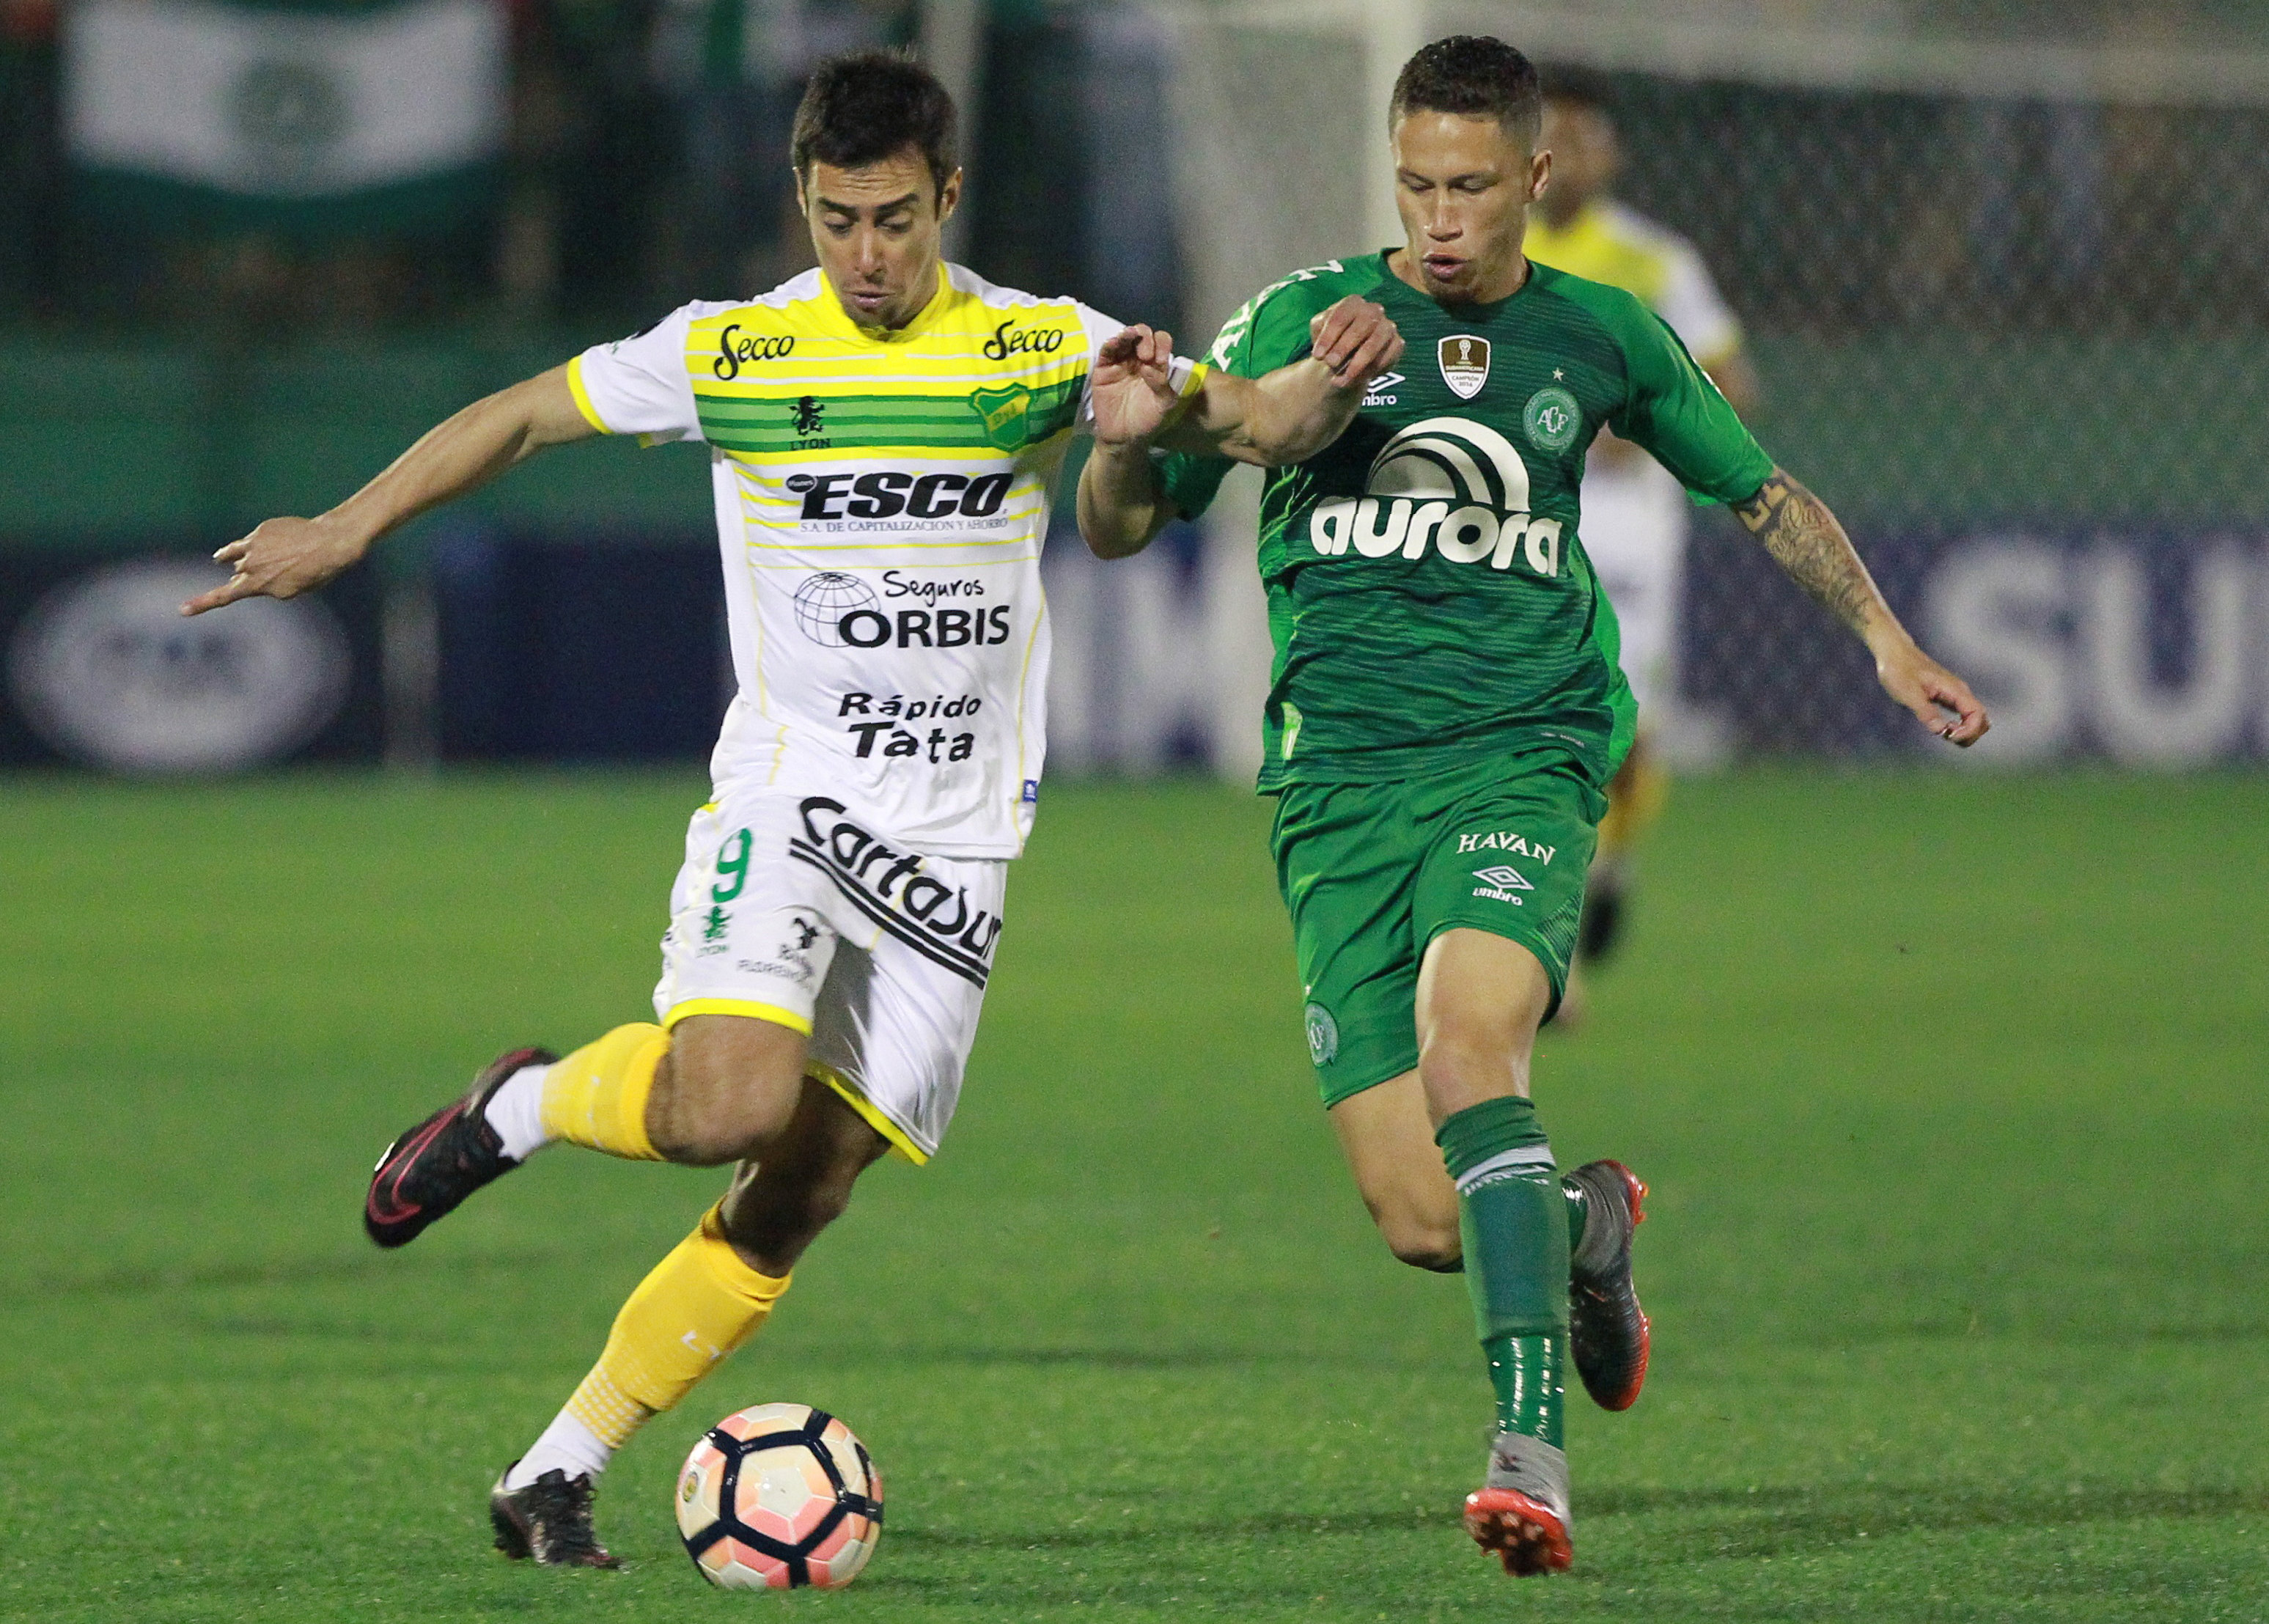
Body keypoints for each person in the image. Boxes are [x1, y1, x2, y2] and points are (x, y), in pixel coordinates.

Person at [183, 48, 1402, 1568]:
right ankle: (522, 1106)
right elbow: (518, 417)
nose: (867, 257)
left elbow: (1241, 440)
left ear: (947, 197)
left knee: (804, 1185)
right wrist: (346, 527)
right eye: (836, 220)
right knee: (733, 1106)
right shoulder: (735, 356)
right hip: (796, 793)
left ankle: (555, 1470)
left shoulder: (1041, 343)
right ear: (800, 201)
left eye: (894, 219)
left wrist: (1292, 381)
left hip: (957, 839)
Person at [1078, 34, 1987, 1578]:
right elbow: (1119, 522)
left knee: (1465, 1051)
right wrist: (1118, 436)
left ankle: (1526, 1454)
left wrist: (1885, 640)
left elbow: (1757, 489)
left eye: (1471, 188)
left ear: (1532, 178)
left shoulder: (1600, 333)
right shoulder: (1300, 323)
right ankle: (1583, 1225)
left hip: (1522, 751)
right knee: (1420, 1220)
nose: (1440, 217)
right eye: (1417, 184)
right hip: (1334, 792)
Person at [1523, 65, 1765, 1004]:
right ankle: (1551, 944)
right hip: (1510, 512)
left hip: (1624, 523)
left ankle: (1603, 873)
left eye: (1588, 139)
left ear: (1611, 154)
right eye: (1556, 137)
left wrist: (1645, 415)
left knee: (1624, 733)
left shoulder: (1654, 261)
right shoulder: (1484, 260)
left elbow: (1732, 385)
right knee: (1532, 718)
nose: (1572, 156)